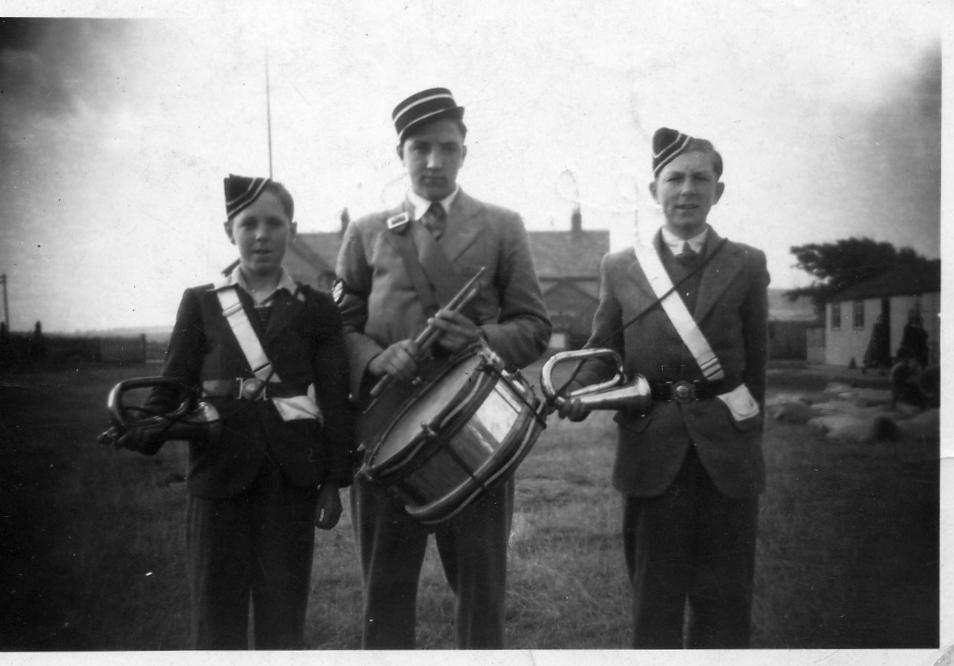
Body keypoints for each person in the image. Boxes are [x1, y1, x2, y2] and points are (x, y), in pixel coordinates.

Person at [334, 87, 551, 649]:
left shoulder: (504, 226)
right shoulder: (366, 231)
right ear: (400, 153)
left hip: (476, 432)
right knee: (385, 594)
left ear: (464, 152)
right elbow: (339, 328)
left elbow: (534, 327)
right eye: (421, 148)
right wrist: (376, 356)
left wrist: (481, 337)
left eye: (447, 148)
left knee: (481, 595)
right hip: (385, 432)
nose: (434, 162)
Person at [119, 175, 353, 649]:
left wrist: (333, 481)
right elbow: (172, 384)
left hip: (290, 483)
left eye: (274, 223)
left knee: (283, 619)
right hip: (216, 477)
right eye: (249, 224)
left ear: (292, 229)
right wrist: (145, 425)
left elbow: (335, 400)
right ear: (230, 231)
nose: (261, 234)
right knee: (214, 617)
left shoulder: (317, 308)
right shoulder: (202, 302)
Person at [559, 127, 770, 648]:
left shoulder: (747, 263)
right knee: (655, 603)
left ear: (718, 191)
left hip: (726, 459)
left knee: (725, 605)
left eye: (702, 178)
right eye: (674, 178)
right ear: (655, 191)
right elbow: (601, 349)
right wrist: (568, 392)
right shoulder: (621, 267)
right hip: (651, 453)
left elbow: (757, 367)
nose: (687, 189)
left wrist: (742, 437)